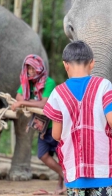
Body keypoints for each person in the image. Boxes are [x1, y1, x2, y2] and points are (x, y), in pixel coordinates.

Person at [43, 40, 112, 196]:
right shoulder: (104, 86)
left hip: (74, 172)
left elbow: (56, 135)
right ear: (92, 64)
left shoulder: (58, 93)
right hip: (104, 171)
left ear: (65, 65)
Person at [11, 54, 66, 195]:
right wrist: (22, 100)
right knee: (42, 155)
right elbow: (18, 96)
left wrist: (23, 102)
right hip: (42, 127)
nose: (30, 71)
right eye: (28, 68)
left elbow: (43, 103)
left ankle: (61, 184)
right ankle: (67, 176)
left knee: (61, 156)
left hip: (56, 124)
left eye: (33, 68)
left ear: (40, 68)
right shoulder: (27, 82)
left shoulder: (49, 83)